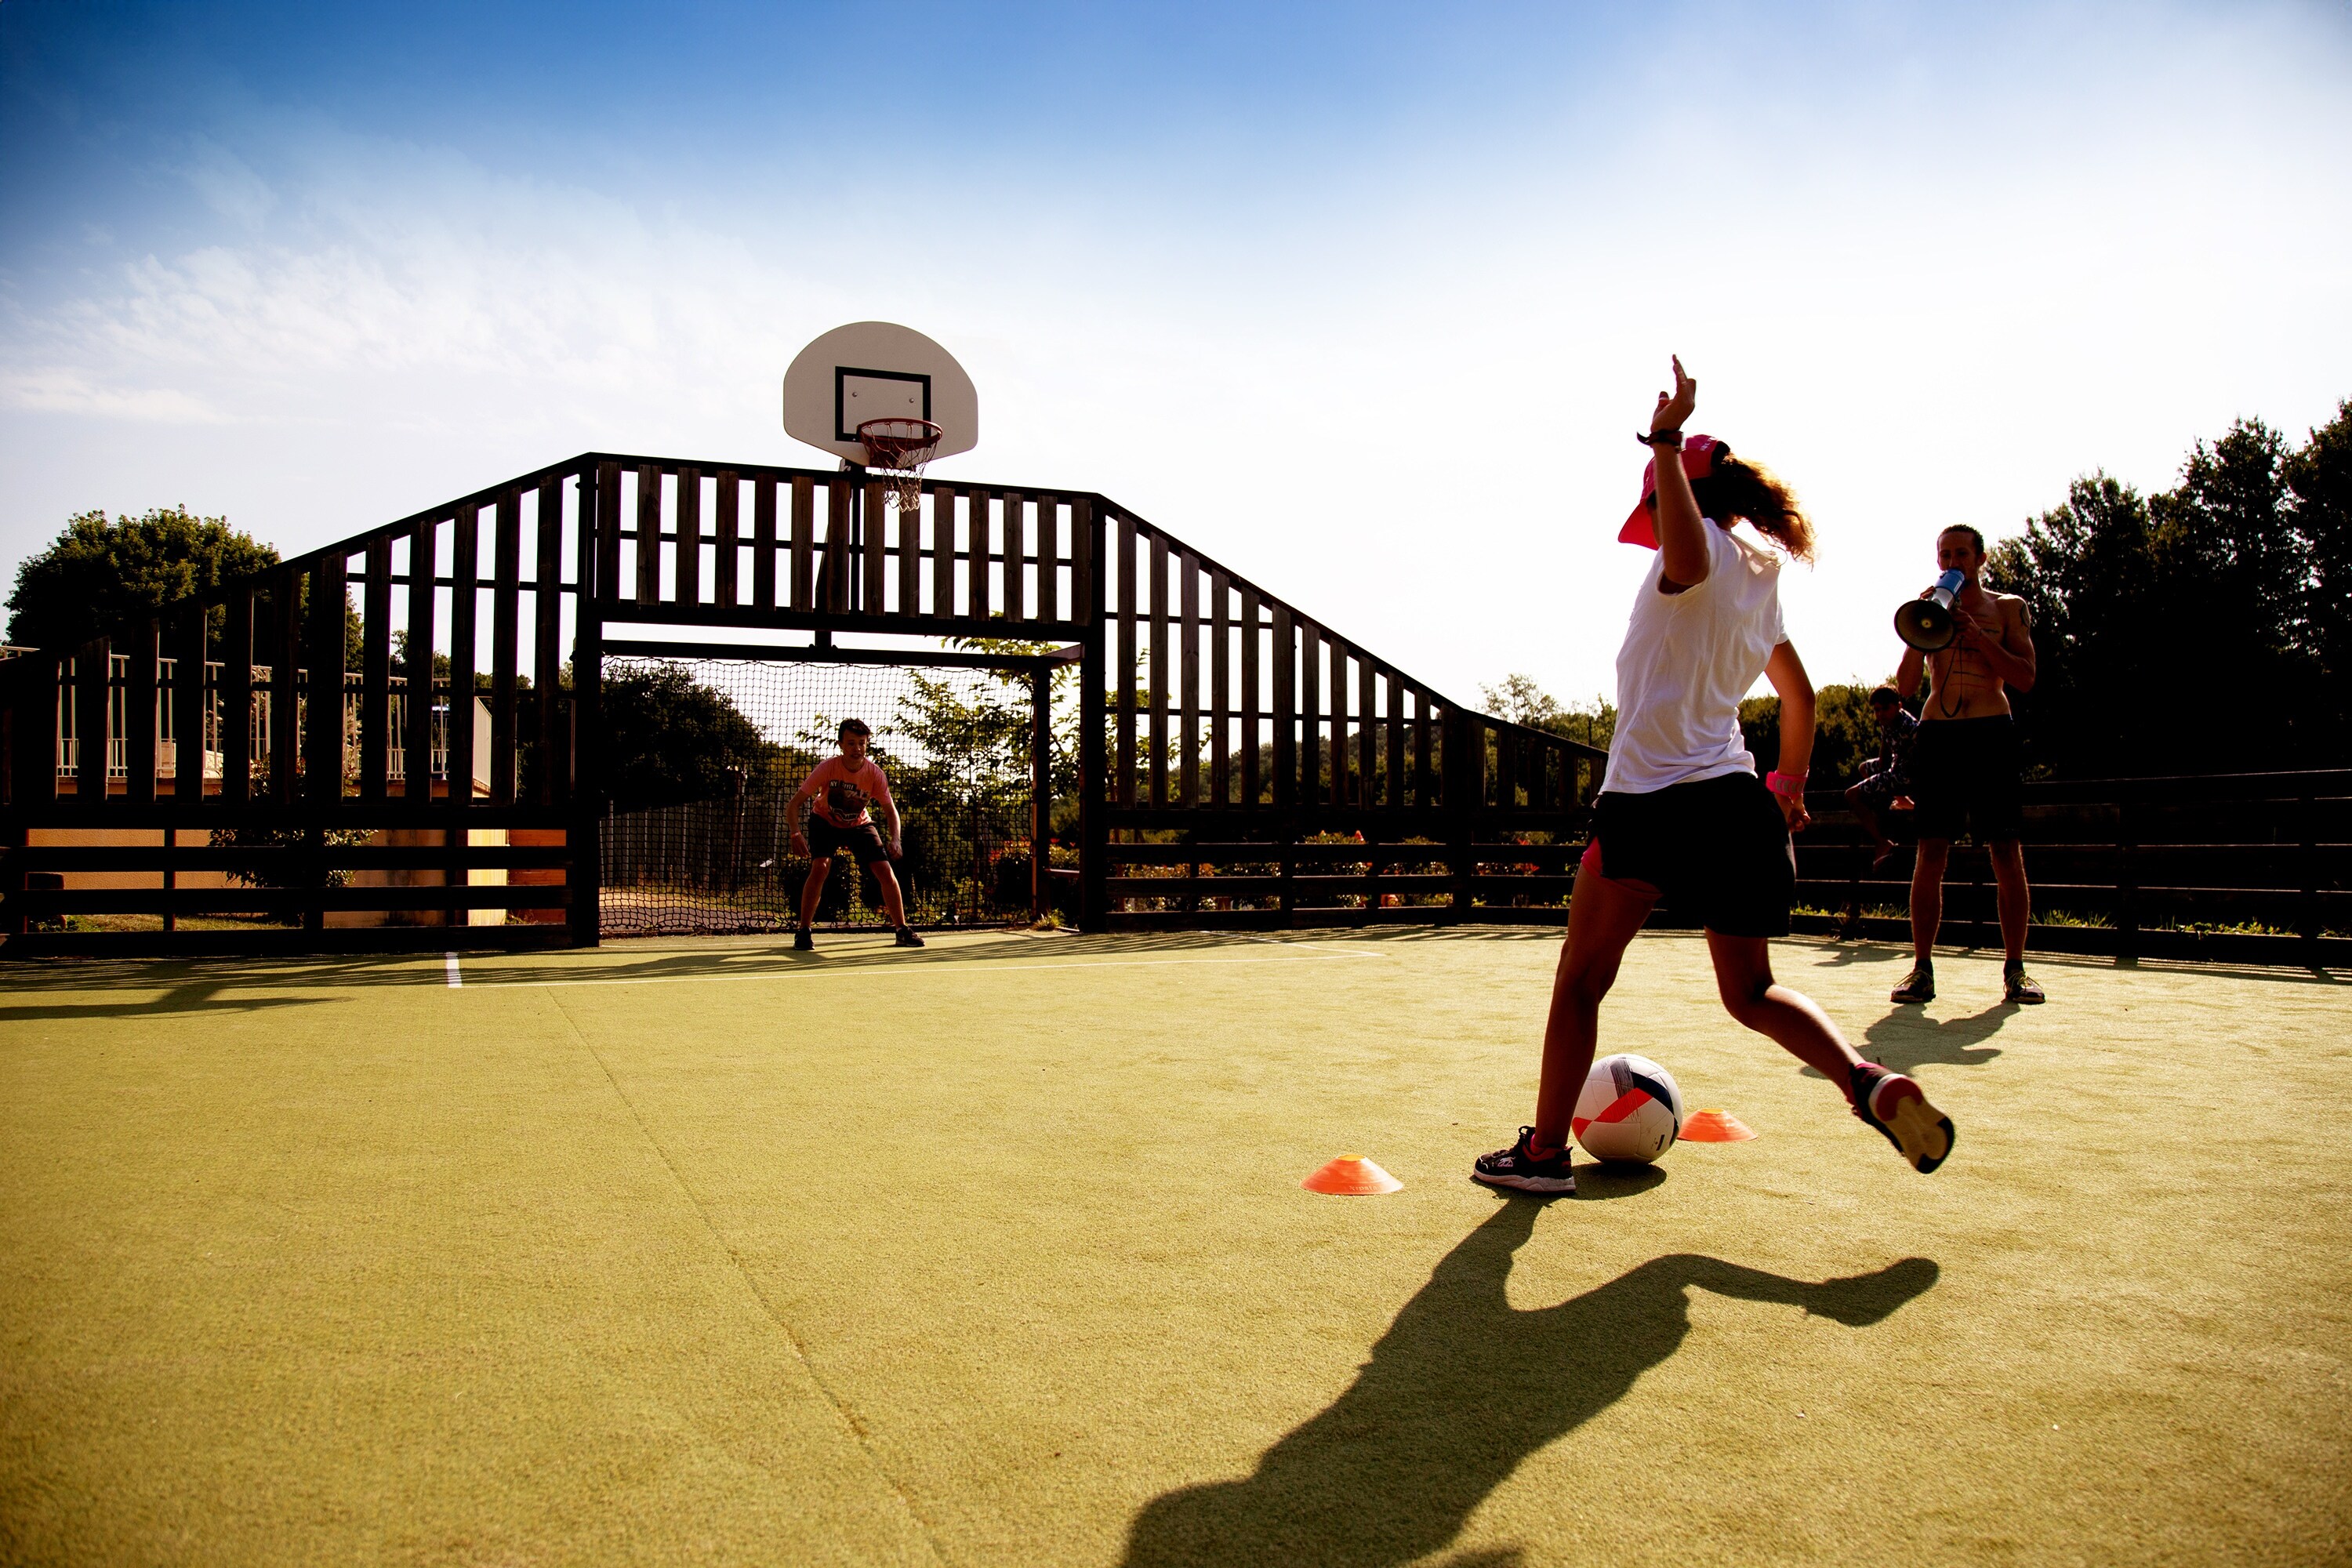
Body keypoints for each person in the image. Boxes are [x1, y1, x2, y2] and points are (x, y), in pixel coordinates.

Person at [1472, 358, 1955, 1196]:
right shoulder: (1759, 578)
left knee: (1581, 980)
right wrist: (1791, 786)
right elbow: (1797, 696)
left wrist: (1663, 441)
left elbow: (1689, 556)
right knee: (1755, 990)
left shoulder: (1688, 565)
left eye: (1657, 507)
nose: (1654, 526)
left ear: (1674, 500)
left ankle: (1545, 1153)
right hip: (1739, 806)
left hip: (1651, 804)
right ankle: (1865, 1080)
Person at [1891, 525, 2044, 1006]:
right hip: (1939, 735)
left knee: (2005, 851)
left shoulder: (2007, 607)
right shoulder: (1928, 604)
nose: (1953, 561)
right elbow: (1906, 688)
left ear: (1980, 557)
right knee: (1930, 852)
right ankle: (1921, 969)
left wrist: (1979, 640)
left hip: (1991, 734)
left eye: (1961, 553)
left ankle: (2016, 969)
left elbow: (2025, 679)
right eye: (1945, 554)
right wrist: (1922, 632)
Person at [787, 718, 924, 950]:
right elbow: (794, 805)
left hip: (859, 825)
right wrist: (795, 834)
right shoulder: (827, 768)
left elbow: (891, 811)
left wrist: (896, 840)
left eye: (862, 743)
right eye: (851, 743)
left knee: (885, 870)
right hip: (824, 821)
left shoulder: (875, 774)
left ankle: (901, 929)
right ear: (841, 745)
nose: (857, 748)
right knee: (820, 867)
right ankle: (803, 931)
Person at [1844, 684, 1919, 869]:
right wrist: (1879, 774)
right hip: (1895, 767)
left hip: (1906, 775)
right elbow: (1885, 752)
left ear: (1898, 705)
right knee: (1864, 768)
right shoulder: (1887, 722)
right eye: (1877, 710)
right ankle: (1900, 801)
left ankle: (1881, 841)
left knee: (1851, 795)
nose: (1880, 714)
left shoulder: (1911, 728)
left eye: (1885, 708)